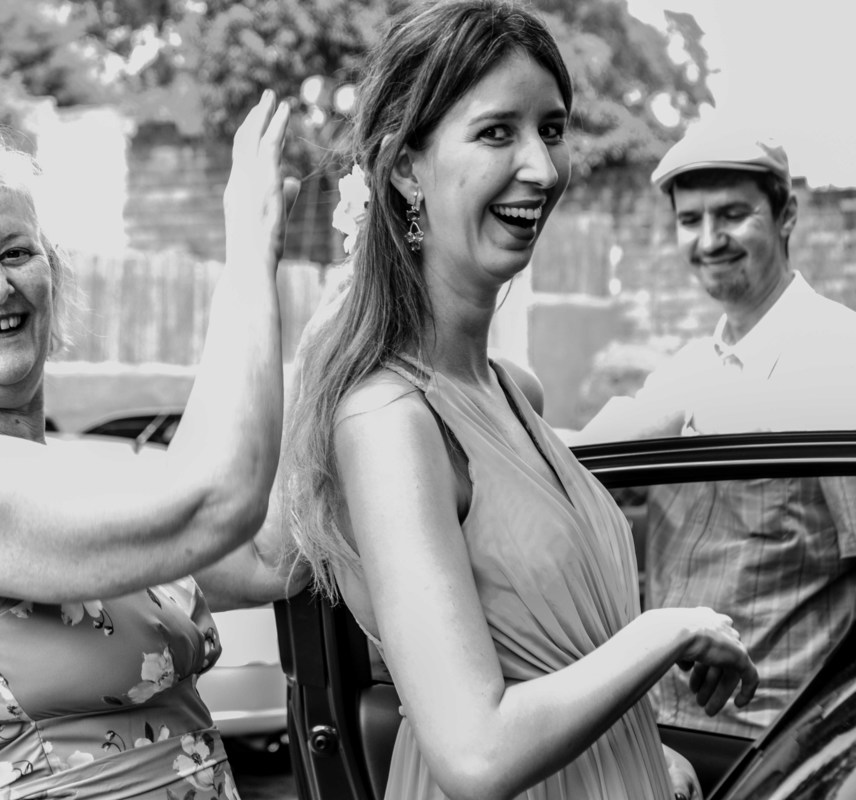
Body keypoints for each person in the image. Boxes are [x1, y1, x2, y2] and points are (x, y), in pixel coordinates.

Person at [284, 2, 758, 799]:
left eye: (552, 129)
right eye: (497, 132)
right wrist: (668, 631)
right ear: (405, 168)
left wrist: (643, 750)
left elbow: (547, 643)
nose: (541, 167)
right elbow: (476, 754)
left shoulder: (513, 391)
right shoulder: (390, 421)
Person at [0, 93, 304, 799]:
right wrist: (249, 253)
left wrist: (359, 315)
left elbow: (262, 555)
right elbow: (217, 502)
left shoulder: (39, 474)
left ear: (50, 270)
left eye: (16, 252)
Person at [575, 125, 856, 737]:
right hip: (657, 729)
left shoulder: (839, 359)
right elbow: (577, 475)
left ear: (786, 215)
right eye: (690, 220)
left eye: (732, 214)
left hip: (770, 743)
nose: (708, 240)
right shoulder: (684, 370)